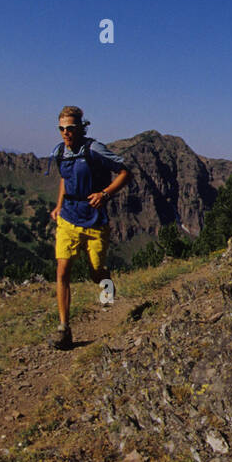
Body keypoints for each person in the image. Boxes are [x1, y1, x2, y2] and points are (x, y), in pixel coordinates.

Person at [47, 106, 130, 349]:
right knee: (62, 271)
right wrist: (58, 206)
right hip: (68, 220)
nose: (65, 133)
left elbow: (126, 172)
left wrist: (105, 193)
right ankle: (64, 328)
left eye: (70, 128)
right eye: (61, 128)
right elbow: (65, 178)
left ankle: (107, 285)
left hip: (94, 222)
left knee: (96, 272)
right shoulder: (61, 151)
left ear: (81, 127)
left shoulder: (94, 150)